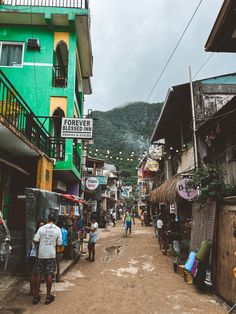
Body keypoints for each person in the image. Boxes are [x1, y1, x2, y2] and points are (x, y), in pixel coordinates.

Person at [33, 213, 62, 305]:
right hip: (51, 254)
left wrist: (42, 242)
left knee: (39, 274)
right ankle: (48, 297)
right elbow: (60, 243)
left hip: (41, 254)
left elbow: (35, 240)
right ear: (55, 220)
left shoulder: (41, 228)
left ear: (48, 218)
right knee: (49, 275)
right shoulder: (58, 229)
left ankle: (36, 296)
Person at [28, 219, 45, 296]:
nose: (42, 227)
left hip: (39, 256)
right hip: (34, 256)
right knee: (34, 274)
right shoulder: (36, 235)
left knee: (38, 273)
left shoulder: (41, 235)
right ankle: (32, 290)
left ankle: (36, 288)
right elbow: (36, 247)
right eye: (40, 225)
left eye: (43, 225)